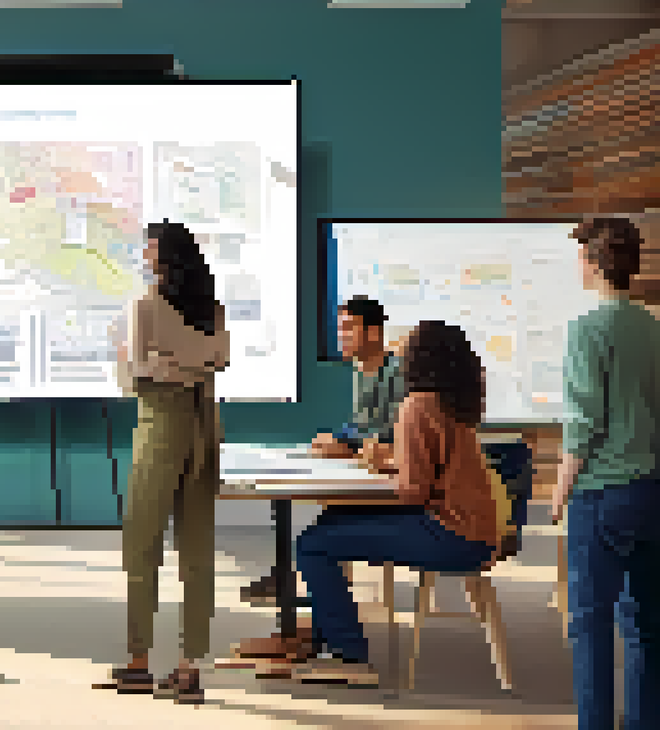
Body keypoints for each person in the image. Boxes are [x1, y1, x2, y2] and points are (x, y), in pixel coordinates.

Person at [291, 320, 513, 686]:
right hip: (476, 530)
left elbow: (413, 492)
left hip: (452, 534)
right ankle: (324, 636)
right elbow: (435, 470)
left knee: (313, 544)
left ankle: (350, 657)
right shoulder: (452, 402)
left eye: (405, 347)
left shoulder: (417, 404)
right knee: (331, 520)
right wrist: (392, 461)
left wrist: (388, 467)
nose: (398, 353)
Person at [98, 221, 229, 703]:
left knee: (142, 544)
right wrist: (190, 365)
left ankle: (137, 661)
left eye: (150, 249)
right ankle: (190, 667)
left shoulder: (144, 306)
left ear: (166, 256)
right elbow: (218, 359)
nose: (146, 257)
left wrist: (159, 361)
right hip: (205, 423)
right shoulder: (212, 309)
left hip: (160, 424)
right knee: (197, 551)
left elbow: (134, 374)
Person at [236, 296, 409, 657]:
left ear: (374, 332)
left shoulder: (397, 373)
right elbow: (363, 427)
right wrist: (341, 439)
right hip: (377, 475)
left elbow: (390, 434)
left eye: (349, 328)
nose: (341, 336)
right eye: (340, 328)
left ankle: (333, 641)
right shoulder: (362, 371)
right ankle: (313, 630)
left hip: (398, 491)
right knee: (325, 522)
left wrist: (344, 443)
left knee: (317, 539)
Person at [553, 217, 660, 730]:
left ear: (594, 264)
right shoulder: (653, 328)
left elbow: (583, 421)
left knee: (589, 624)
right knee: (644, 624)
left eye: (580, 256)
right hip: (651, 491)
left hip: (601, 494)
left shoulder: (586, 330)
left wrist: (558, 491)